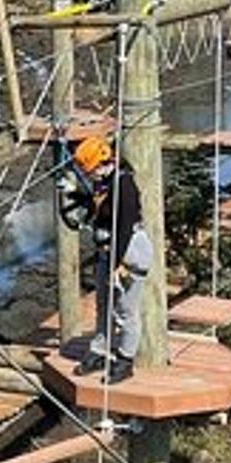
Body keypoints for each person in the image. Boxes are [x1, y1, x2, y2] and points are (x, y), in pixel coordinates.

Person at [59, 135, 150, 383]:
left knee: (126, 310)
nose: (90, 176)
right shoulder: (103, 183)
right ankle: (99, 350)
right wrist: (73, 194)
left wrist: (117, 264)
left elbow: (125, 226)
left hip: (129, 252)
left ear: (102, 163)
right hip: (107, 250)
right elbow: (94, 208)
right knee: (104, 305)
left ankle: (125, 360)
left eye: (90, 171)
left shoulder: (124, 185)